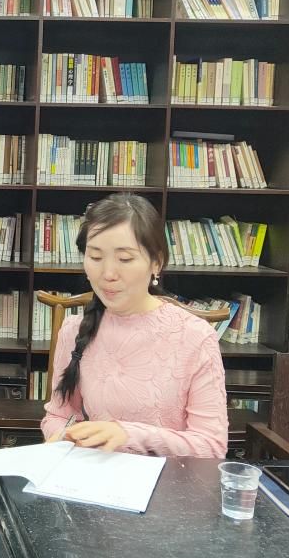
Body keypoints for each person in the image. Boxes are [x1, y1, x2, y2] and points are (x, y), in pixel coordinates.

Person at [40, 193, 228, 458]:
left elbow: (211, 446)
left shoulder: (195, 337)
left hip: (170, 480)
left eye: (125, 259)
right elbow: (58, 416)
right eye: (95, 257)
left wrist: (128, 435)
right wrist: (63, 437)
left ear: (156, 263)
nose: (108, 274)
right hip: (95, 475)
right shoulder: (74, 330)